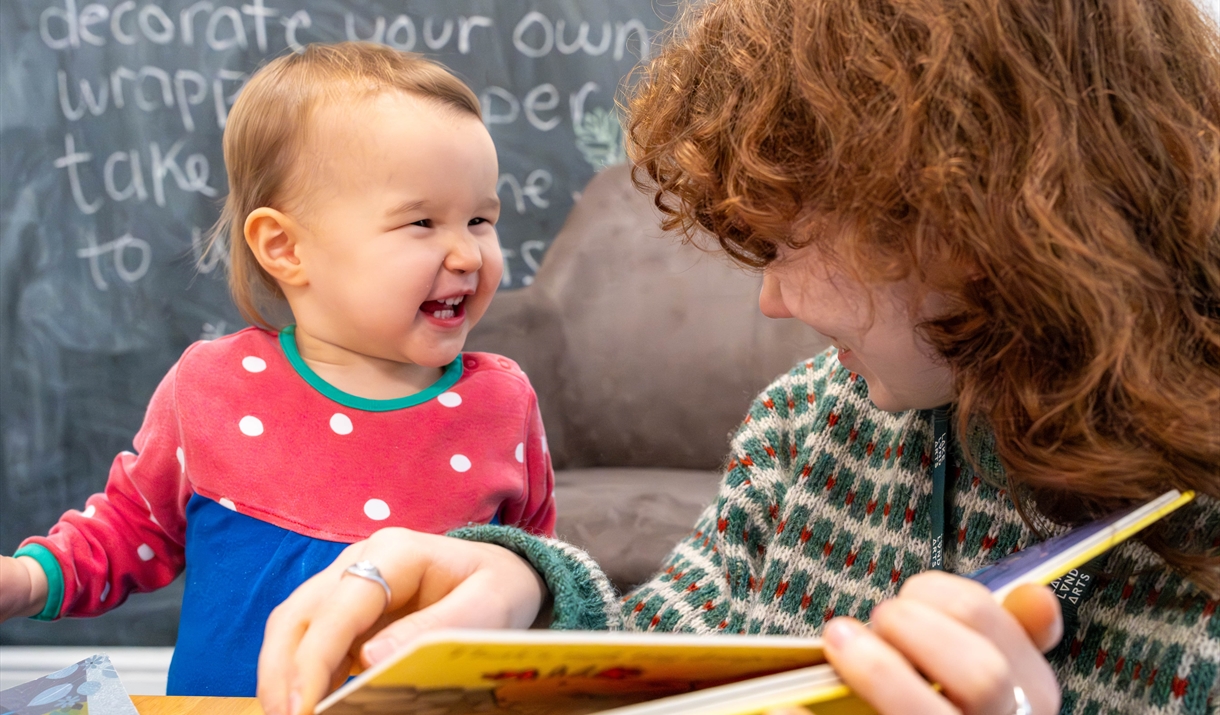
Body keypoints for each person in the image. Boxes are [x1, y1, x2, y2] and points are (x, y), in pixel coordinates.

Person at [260, 0, 1220, 711]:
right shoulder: (810, 422)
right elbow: (667, 651)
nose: (772, 298)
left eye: (789, 241)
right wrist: (525, 594)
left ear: (971, 210)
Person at [0, 43, 556, 697]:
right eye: (422, 221)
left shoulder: (501, 400)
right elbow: (133, 529)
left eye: (480, 219)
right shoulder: (213, 385)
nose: (467, 252)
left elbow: (539, 577)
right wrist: (29, 579)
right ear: (285, 247)